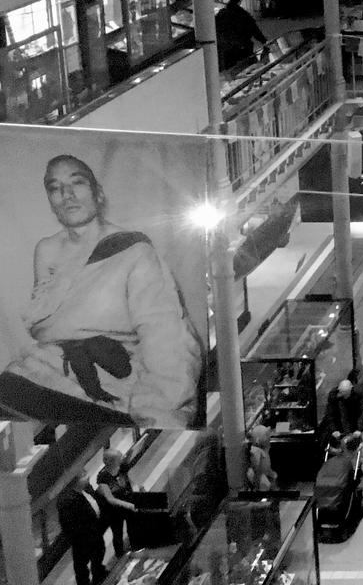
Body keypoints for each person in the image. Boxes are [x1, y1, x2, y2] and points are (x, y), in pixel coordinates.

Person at [0, 155, 203, 428]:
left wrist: (158, 419)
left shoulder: (134, 251)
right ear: (50, 200)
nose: (67, 194)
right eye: (55, 187)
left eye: (77, 183)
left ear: (98, 193)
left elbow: (166, 338)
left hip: (112, 385)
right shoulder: (46, 249)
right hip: (46, 372)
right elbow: (51, 326)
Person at [58, 472, 107, 585]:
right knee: (81, 563)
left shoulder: (87, 489)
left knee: (99, 552)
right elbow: (67, 524)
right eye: (84, 476)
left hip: (95, 531)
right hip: (82, 537)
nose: (88, 477)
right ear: (75, 482)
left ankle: (98, 573)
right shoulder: (67, 501)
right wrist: (79, 536)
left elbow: (95, 500)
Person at [94, 450, 139, 558]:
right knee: (117, 532)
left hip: (127, 501)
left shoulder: (122, 468)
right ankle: (120, 554)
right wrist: (128, 505)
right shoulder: (103, 477)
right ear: (109, 462)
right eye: (117, 460)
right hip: (114, 510)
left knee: (132, 525)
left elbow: (129, 478)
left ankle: (135, 545)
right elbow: (110, 498)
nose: (120, 461)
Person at [214, 0, 266, 71]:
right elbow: (254, 29)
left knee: (230, 70)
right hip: (242, 46)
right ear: (240, 0)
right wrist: (263, 41)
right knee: (250, 68)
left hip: (226, 47)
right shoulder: (243, 14)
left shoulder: (221, 13)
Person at [322, 373, 363, 445]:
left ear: (351, 389)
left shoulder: (358, 393)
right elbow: (330, 413)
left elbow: (362, 412)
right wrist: (334, 430)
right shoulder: (333, 395)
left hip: (353, 417)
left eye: (347, 393)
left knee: (353, 440)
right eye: (343, 393)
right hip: (339, 420)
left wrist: (359, 429)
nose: (345, 395)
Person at [244, 424, 276, 491]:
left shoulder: (264, 450)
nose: (269, 438)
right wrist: (257, 479)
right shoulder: (256, 452)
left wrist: (270, 472)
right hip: (261, 477)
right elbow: (256, 467)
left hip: (265, 475)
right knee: (264, 488)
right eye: (266, 436)